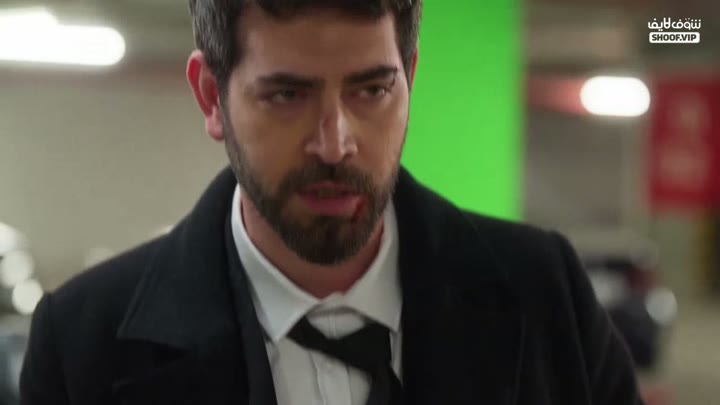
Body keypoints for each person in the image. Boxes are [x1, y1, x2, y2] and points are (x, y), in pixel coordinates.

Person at [19, 1, 645, 404]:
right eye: (287, 96)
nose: (335, 143)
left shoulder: (546, 295)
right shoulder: (82, 345)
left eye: (371, 90)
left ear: (409, 78)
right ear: (211, 96)